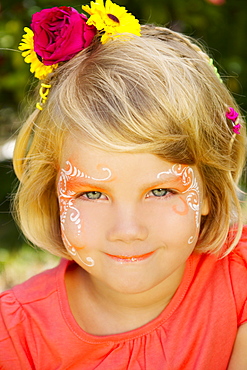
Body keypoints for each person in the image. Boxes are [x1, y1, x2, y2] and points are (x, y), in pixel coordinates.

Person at [0, 1, 246, 368]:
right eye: (93, 193)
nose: (127, 231)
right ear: (52, 193)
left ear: (210, 189)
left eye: (161, 191)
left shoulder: (238, 280)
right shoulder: (15, 336)